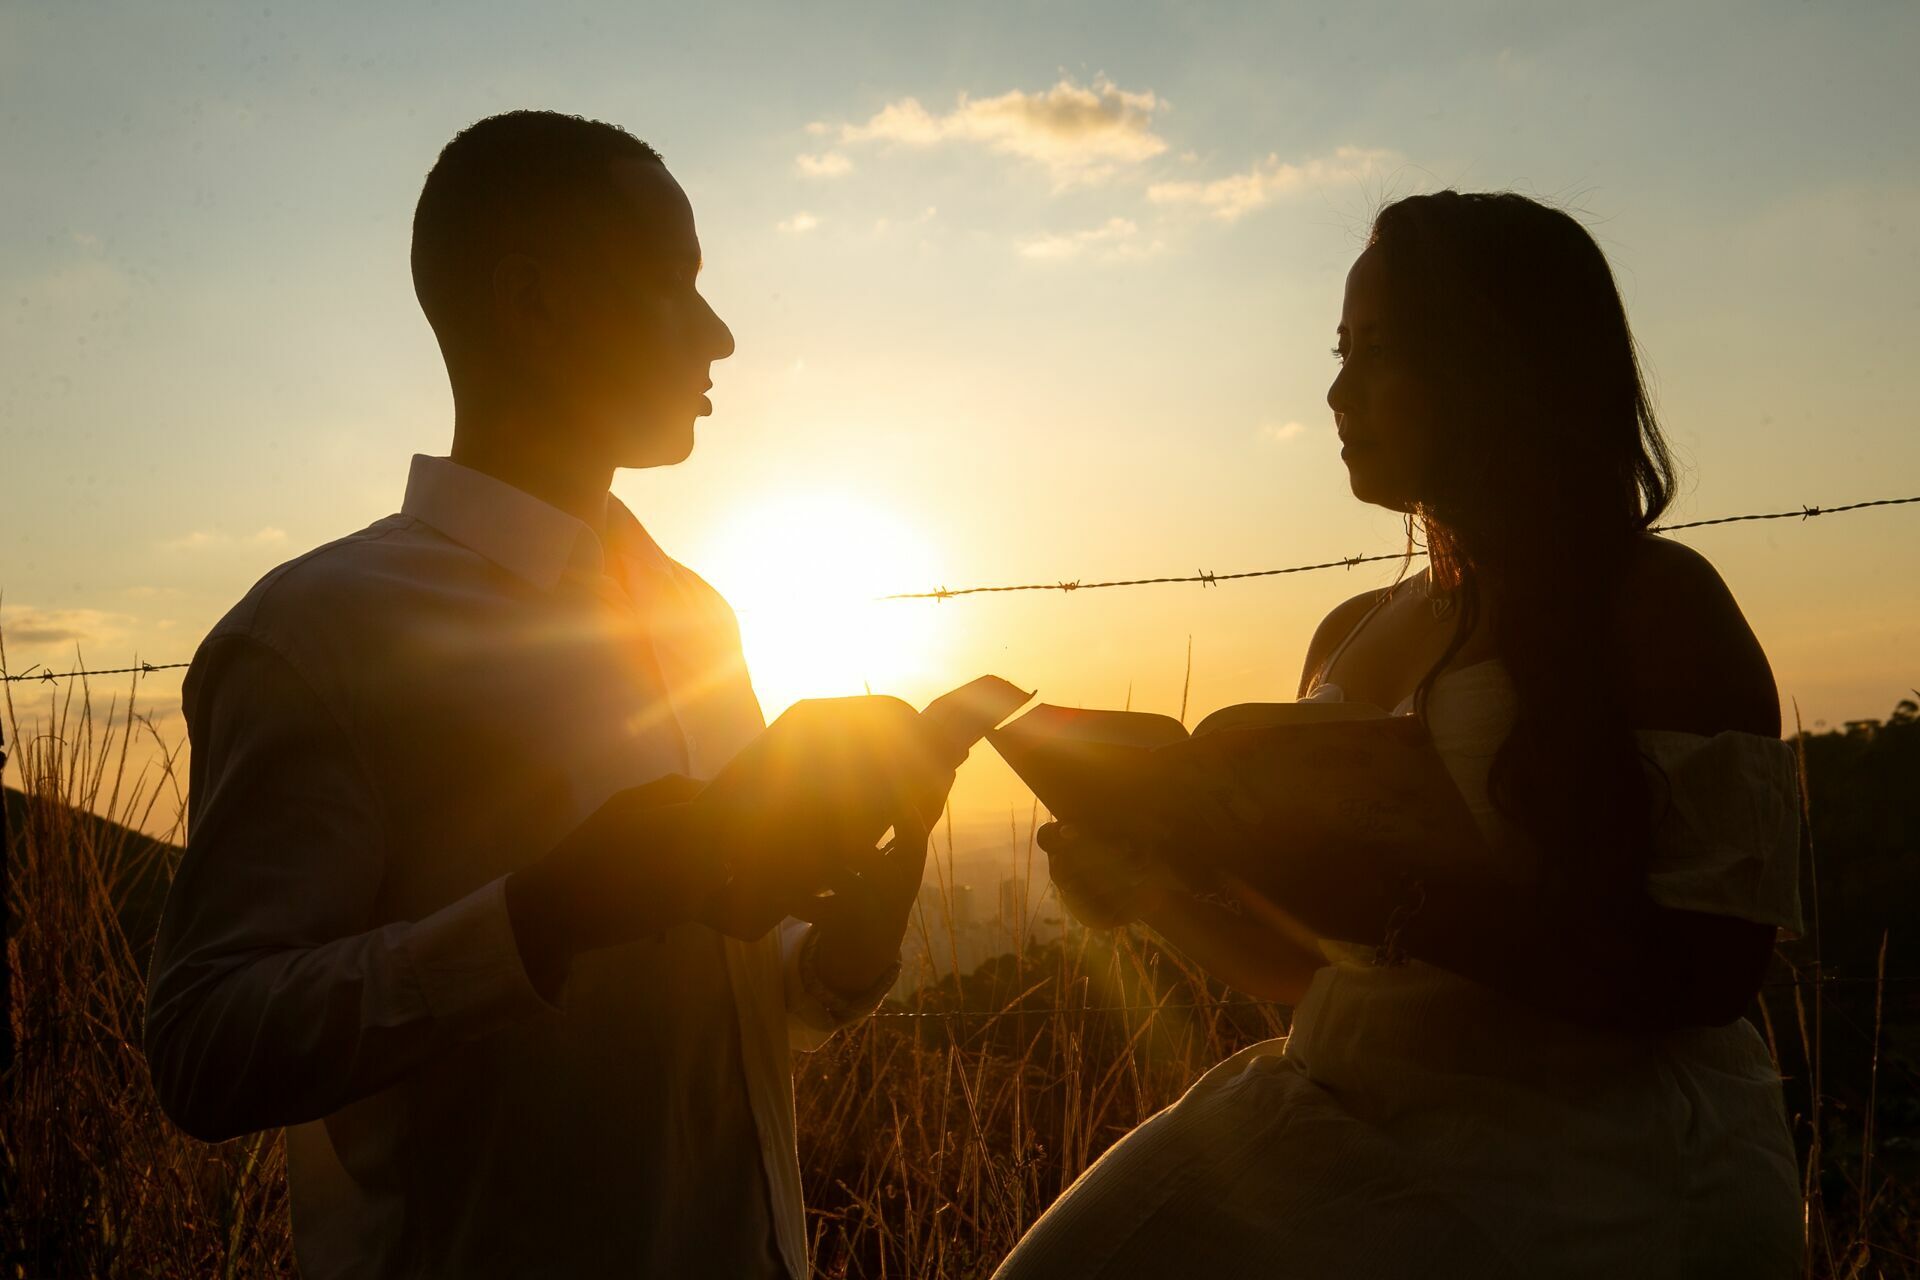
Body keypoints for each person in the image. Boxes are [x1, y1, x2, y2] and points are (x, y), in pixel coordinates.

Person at [142, 110, 953, 1279]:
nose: (720, 334)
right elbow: (205, 1046)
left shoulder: (697, 612)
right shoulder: (322, 629)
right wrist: (545, 914)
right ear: (532, 302)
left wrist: (842, 950)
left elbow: (712, 1008)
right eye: (675, 284)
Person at [993, 191, 1803, 1279]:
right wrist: (1145, 883)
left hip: (1583, 1166)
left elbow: (1710, 966)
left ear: (1496, 366)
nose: (1336, 392)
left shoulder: (1654, 602)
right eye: (1339, 350)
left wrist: (1389, 896)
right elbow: (1302, 966)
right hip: (1348, 1108)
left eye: (1378, 353)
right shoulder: (1352, 630)